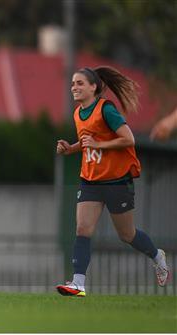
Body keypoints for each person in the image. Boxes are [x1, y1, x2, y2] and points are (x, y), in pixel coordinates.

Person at [55, 66, 170, 297]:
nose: (74, 87)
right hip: (91, 180)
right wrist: (72, 148)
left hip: (117, 180)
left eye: (79, 83)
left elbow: (128, 139)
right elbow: (89, 141)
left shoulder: (105, 109)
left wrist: (99, 145)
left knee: (127, 235)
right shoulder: (78, 113)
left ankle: (157, 256)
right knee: (82, 228)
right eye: (72, 84)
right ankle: (78, 283)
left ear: (93, 87)